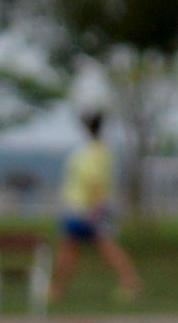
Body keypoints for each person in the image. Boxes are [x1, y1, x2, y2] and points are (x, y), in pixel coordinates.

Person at [49, 107, 140, 307]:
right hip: (77, 207)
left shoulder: (95, 152)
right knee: (70, 248)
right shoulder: (94, 150)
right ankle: (57, 288)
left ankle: (130, 283)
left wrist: (94, 208)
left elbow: (95, 181)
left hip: (88, 208)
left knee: (105, 247)